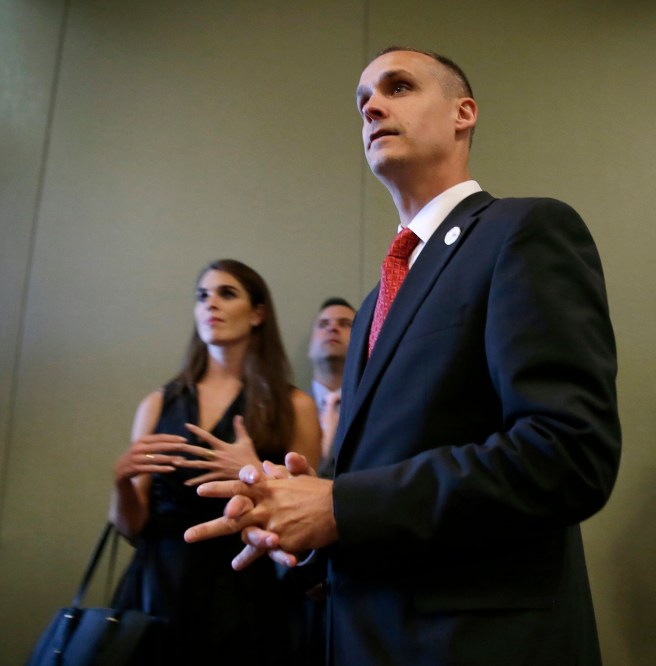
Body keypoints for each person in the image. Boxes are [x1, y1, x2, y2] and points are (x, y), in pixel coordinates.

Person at [185, 47, 621, 665]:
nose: (373, 107)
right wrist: (300, 516)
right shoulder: (373, 304)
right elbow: (365, 494)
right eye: (364, 100)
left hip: (479, 646)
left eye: (399, 87)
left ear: (463, 113)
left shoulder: (522, 232)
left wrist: (341, 505)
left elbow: (569, 454)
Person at [109, 259, 321, 664]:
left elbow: (303, 517)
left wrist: (255, 474)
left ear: (258, 313)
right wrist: (121, 480)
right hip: (157, 586)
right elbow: (132, 527)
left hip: (243, 592)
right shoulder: (159, 402)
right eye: (202, 296)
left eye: (227, 293)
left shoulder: (295, 406)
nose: (211, 304)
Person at [307, 297, 355, 470]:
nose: (332, 328)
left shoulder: (375, 411)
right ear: (310, 345)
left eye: (345, 324)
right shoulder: (285, 408)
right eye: (323, 324)